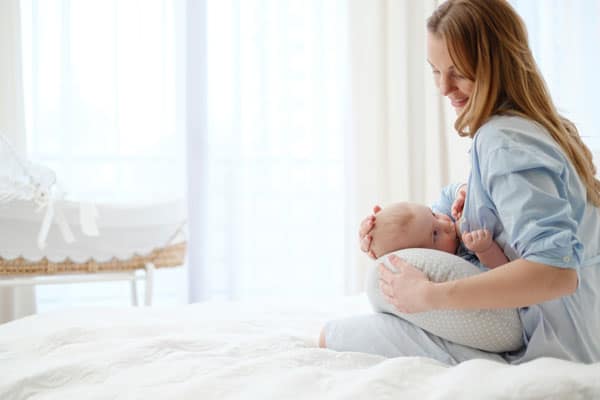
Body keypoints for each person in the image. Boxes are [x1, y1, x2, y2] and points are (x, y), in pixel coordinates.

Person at [319, 0, 600, 365]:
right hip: (578, 327)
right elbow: (500, 209)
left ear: (498, 63)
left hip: (552, 342)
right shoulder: (537, 128)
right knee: (382, 284)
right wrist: (391, 234)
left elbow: (556, 273)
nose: (445, 88)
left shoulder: (504, 141)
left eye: (459, 72)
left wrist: (430, 296)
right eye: (436, 71)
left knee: (367, 298)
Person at [369, 183, 508, 269]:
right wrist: (485, 250)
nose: (445, 223)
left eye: (433, 214)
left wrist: (462, 193)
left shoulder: (443, 212)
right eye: (435, 234)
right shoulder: (459, 262)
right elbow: (504, 272)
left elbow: (449, 193)